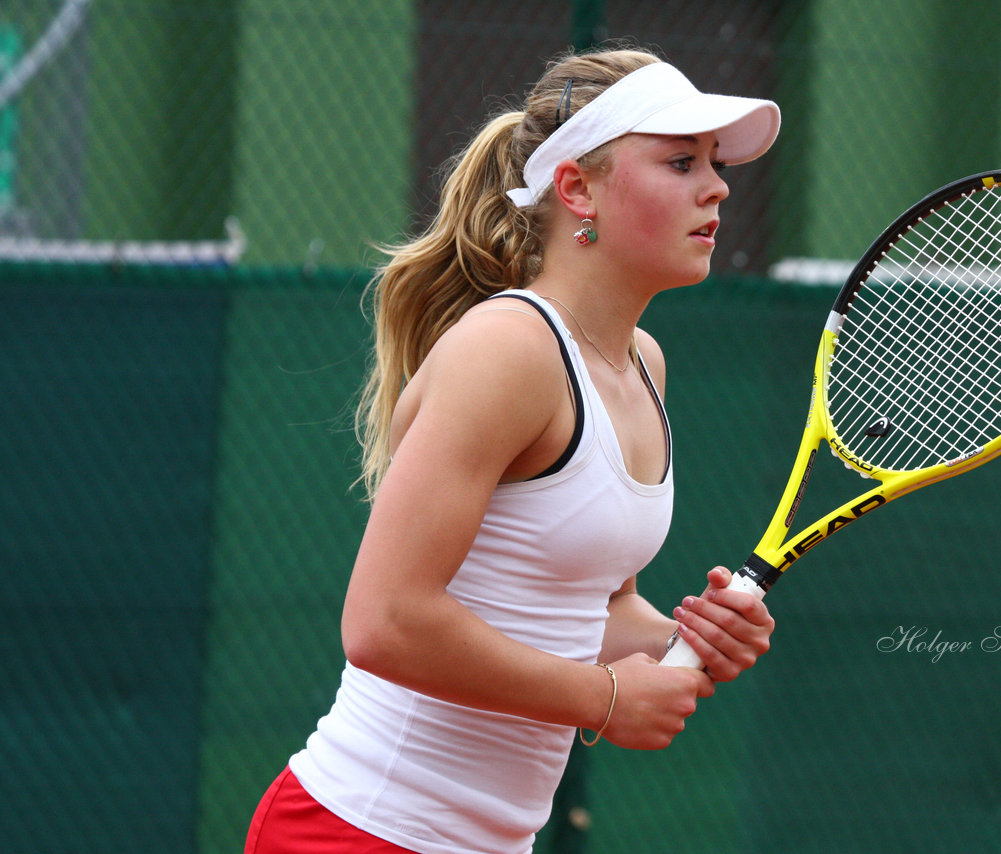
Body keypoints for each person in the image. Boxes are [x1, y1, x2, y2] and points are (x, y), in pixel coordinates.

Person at [244, 45, 781, 854]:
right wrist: (602, 700)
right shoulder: (508, 351)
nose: (717, 186)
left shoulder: (642, 361)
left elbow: (588, 609)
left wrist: (680, 640)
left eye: (714, 162)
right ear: (577, 188)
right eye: (679, 161)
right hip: (357, 833)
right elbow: (383, 623)